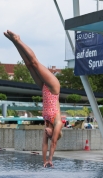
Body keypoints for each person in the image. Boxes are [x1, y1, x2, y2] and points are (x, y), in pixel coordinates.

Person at [4, 30, 63, 167]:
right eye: (49, 134)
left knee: (29, 65)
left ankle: (14, 43)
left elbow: (44, 144)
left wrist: (44, 162)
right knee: (35, 63)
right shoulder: (57, 123)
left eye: (47, 135)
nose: (46, 134)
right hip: (53, 88)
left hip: (43, 87)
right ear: (54, 132)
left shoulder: (47, 124)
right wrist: (51, 159)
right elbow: (52, 143)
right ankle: (18, 39)